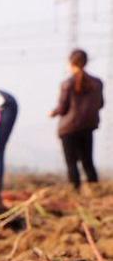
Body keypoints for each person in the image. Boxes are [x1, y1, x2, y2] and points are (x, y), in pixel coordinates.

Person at [50, 48, 104, 192]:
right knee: (88, 161)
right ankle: (95, 191)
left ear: (71, 63)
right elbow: (100, 104)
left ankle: (75, 192)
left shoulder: (67, 84)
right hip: (88, 126)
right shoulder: (97, 83)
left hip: (69, 128)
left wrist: (53, 113)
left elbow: (62, 108)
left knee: (71, 163)